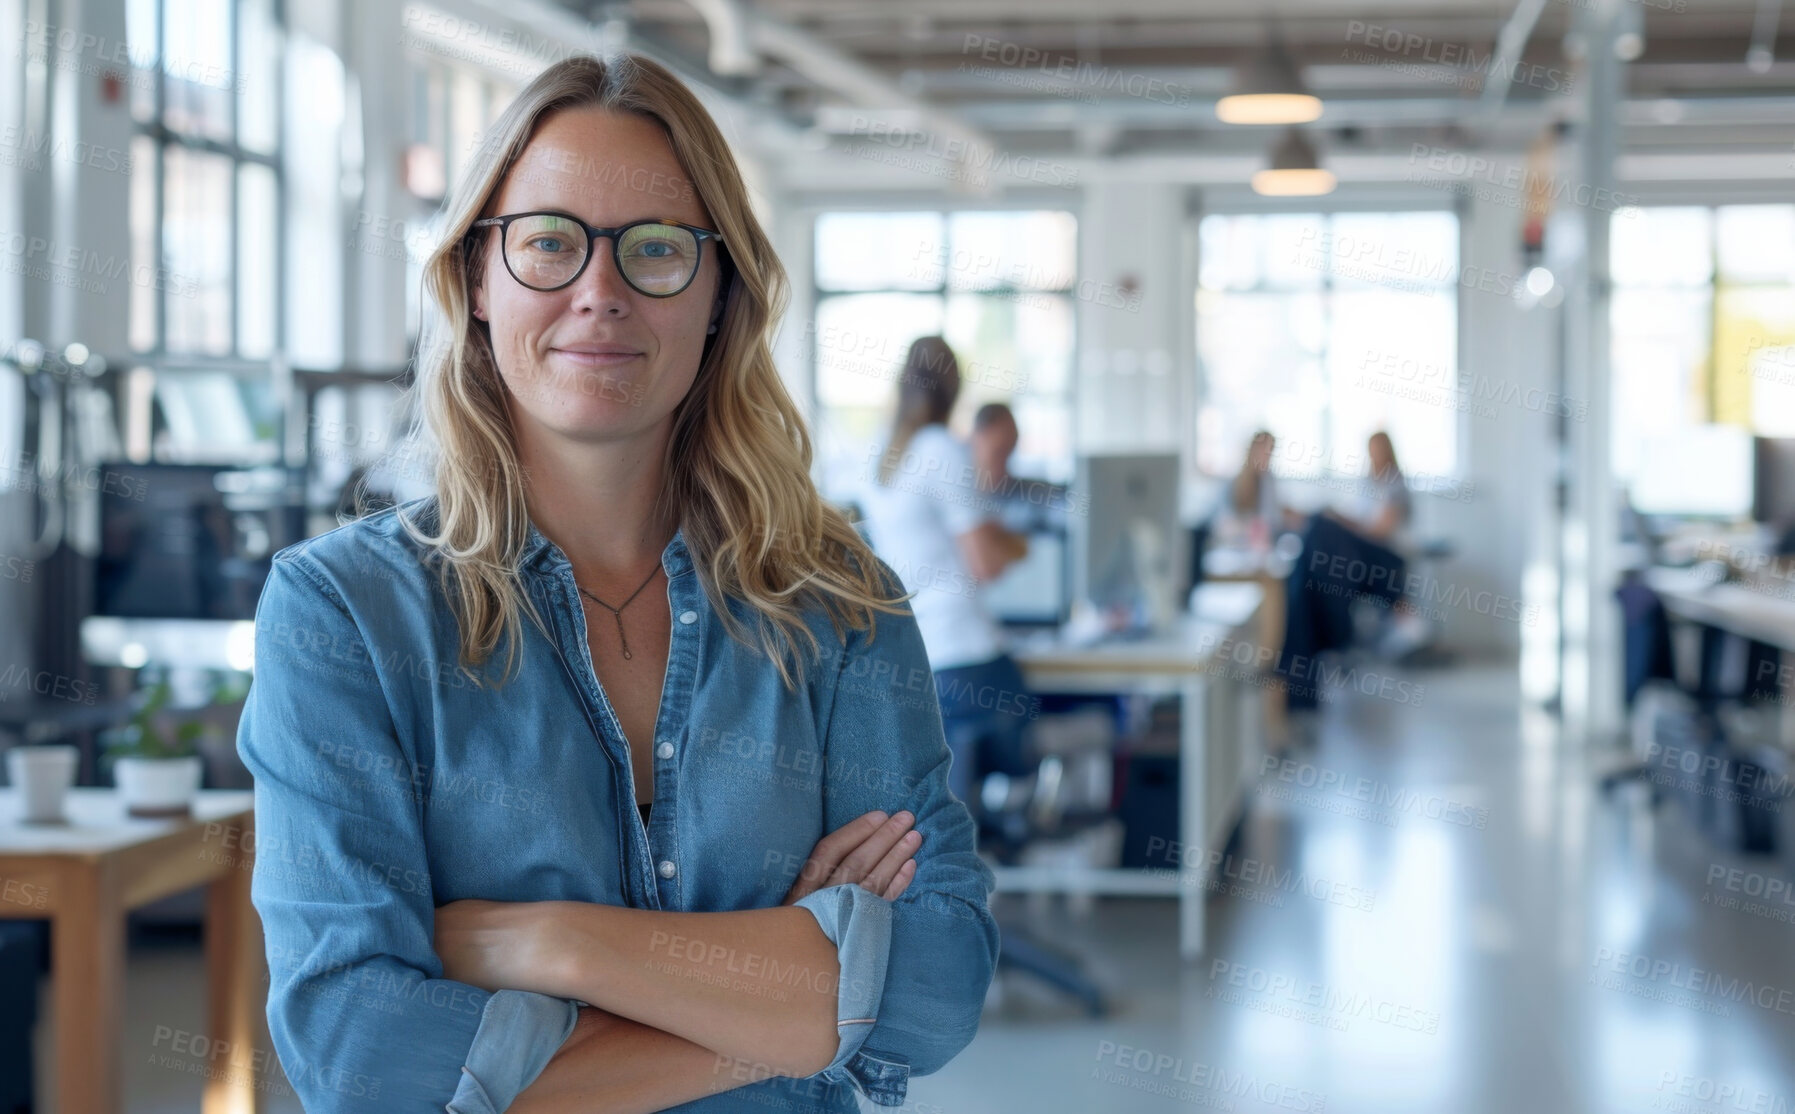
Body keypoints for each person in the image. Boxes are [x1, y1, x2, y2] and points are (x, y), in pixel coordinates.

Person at [236, 54, 997, 1114]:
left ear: (720, 293)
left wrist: (545, 943)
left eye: (655, 250)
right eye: (549, 242)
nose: (599, 292)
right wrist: (808, 1006)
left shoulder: (837, 603)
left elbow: (938, 980)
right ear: (476, 279)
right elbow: (359, 1053)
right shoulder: (343, 616)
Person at [857, 339, 1038, 822]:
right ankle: (1027, 823)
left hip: (912, 654)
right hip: (966, 655)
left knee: (945, 789)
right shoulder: (942, 448)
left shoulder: (881, 453)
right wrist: (1021, 544)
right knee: (1045, 717)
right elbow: (985, 563)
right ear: (953, 389)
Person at [1274, 430, 1418, 712]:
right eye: (1370, 450)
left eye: (1378, 450)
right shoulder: (1368, 483)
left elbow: (1379, 530)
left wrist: (1343, 524)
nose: (1373, 456)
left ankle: (1338, 632)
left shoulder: (1395, 485)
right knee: (1315, 551)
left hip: (1382, 560)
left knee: (1320, 526)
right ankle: (1334, 631)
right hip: (1358, 555)